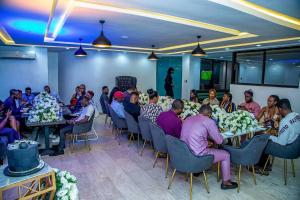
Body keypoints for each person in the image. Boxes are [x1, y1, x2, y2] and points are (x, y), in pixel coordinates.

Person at [180, 105, 238, 189]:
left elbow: (194, 135)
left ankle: (197, 170)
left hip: (184, 152)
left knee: (208, 144)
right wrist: (221, 135)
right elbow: (219, 141)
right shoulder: (209, 121)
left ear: (199, 111)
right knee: (226, 154)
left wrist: (207, 141)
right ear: (210, 114)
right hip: (198, 155)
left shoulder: (189, 118)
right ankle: (226, 182)